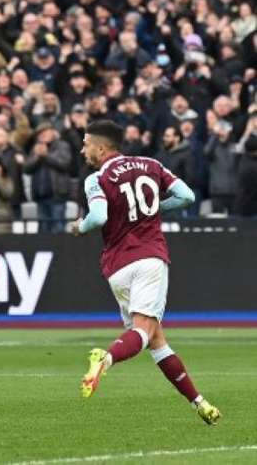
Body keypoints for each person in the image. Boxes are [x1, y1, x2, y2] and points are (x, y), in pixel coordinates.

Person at [71, 120, 221, 425]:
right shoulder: (151, 164)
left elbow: (98, 216)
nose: (83, 148)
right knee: (142, 332)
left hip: (116, 268)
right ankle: (106, 358)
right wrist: (155, 208)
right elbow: (188, 196)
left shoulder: (96, 178)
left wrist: (79, 227)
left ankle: (199, 402)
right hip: (149, 258)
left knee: (156, 341)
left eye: (86, 143)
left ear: (102, 147)